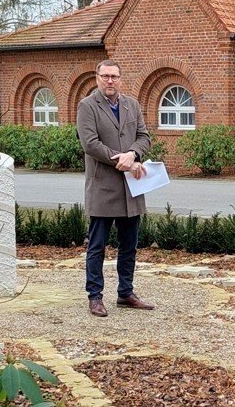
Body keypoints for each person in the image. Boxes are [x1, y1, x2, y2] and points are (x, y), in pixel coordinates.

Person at [76, 59, 154, 317]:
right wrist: (121, 160)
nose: (110, 81)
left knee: (129, 244)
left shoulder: (132, 105)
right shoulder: (87, 106)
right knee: (97, 245)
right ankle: (95, 297)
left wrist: (133, 153)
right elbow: (90, 143)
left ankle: (125, 293)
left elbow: (144, 137)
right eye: (105, 76)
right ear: (97, 77)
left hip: (132, 187)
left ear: (121, 79)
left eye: (114, 77)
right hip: (103, 187)